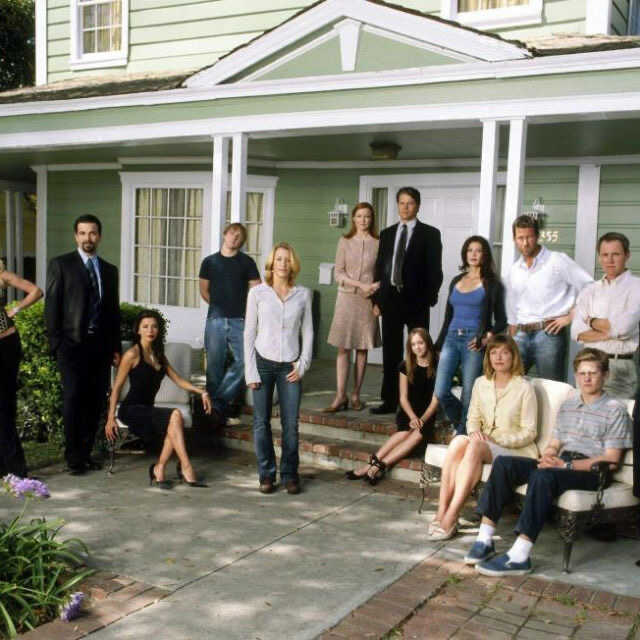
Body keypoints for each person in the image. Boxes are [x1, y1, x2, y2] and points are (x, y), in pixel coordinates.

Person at [466, 347, 632, 576]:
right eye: (582, 373)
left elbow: (611, 460)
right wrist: (549, 455)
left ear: (605, 375)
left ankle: (519, 556)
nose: (587, 378)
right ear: (576, 376)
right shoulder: (569, 405)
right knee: (504, 463)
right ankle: (485, 540)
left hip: (591, 472)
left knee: (543, 476)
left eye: (593, 373)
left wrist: (566, 466)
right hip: (561, 464)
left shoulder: (615, 410)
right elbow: (555, 442)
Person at [430, 334, 538, 541]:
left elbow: (530, 431)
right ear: (488, 358)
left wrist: (497, 441)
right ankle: (441, 512)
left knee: (476, 447)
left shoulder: (524, 387)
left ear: (513, 357)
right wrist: (473, 433)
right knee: (459, 441)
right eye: (493, 353)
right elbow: (472, 418)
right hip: (485, 444)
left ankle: (452, 516)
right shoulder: (481, 383)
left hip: (516, 450)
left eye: (504, 353)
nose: (498, 357)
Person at [45, 214, 121, 475]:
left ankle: (86, 454)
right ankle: (73, 458)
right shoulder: (61, 265)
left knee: (95, 401)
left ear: (99, 236)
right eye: (83, 233)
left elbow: (112, 312)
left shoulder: (110, 271)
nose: (88, 238)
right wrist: (57, 344)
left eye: (93, 233)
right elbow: (52, 307)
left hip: (99, 348)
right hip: (72, 345)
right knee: (74, 399)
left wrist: (115, 348)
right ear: (76, 236)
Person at [105, 310, 211, 488]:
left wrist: (201, 392)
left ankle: (159, 469)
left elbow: (178, 380)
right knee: (175, 416)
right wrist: (110, 418)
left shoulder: (159, 355)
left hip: (148, 408)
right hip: (131, 410)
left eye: (154, 326)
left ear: (159, 330)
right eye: (145, 326)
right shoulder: (132, 354)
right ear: (138, 330)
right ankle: (186, 467)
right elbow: (116, 388)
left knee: (174, 422)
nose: (150, 330)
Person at [244, 242, 313, 495]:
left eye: (287, 260)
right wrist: (250, 371)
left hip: (290, 367)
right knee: (261, 423)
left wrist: (303, 365)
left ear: (292, 264)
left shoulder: (303, 294)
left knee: (291, 425)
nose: (283, 264)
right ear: (271, 264)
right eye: (279, 259)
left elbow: (308, 332)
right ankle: (266, 474)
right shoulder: (257, 294)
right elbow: (249, 334)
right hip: (262, 363)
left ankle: (290, 474)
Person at [371, 187, 443, 414]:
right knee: (390, 352)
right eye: (401, 203)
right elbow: (380, 269)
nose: (405, 207)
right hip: (390, 299)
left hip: (416, 301)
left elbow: (435, 271)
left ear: (418, 206)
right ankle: (390, 400)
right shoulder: (387, 233)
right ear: (397, 205)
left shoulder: (430, 234)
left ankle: (419, 399)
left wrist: (429, 298)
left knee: (420, 351)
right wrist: (377, 299)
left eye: (410, 203)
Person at [345, 328, 438, 484]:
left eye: (420, 343)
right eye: (413, 344)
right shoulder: (405, 365)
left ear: (427, 342)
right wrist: (413, 417)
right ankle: (372, 462)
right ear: (410, 347)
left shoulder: (437, 365)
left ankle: (379, 466)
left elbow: (435, 400)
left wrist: (421, 419)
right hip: (409, 411)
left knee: (417, 435)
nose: (417, 347)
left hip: (427, 413)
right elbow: (403, 398)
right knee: (404, 433)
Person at [434, 235, 506, 435]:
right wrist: (439, 345)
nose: (474, 254)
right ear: (465, 254)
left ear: (485, 255)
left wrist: (486, 338)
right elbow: (448, 316)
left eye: (478, 250)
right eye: (470, 250)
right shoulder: (456, 281)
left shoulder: (492, 284)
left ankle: (463, 433)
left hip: (473, 341)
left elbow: (501, 320)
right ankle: (463, 424)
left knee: (469, 393)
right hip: (450, 338)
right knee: (440, 391)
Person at [506, 214, 592, 381]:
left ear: (537, 236)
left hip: (549, 335)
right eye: (520, 238)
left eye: (529, 237)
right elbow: (513, 303)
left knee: (552, 389)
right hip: (520, 335)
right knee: (511, 385)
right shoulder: (516, 269)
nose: (525, 243)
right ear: (514, 239)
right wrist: (512, 330)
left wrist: (571, 316)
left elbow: (590, 287)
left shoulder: (557, 261)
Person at [199, 222, 261, 424]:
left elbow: (256, 290)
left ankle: (217, 404)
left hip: (240, 320)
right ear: (225, 235)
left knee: (244, 362)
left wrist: (243, 311)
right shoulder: (209, 262)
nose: (235, 238)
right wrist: (221, 307)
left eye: (239, 237)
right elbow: (204, 291)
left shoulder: (247, 263)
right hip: (215, 319)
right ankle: (214, 415)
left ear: (242, 241)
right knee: (214, 367)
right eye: (232, 234)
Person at [324, 202, 381, 412]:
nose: (363, 220)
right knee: (343, 347)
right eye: (359, 216)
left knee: (362, 348)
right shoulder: (345, 241)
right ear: (354, 219)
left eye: (367, 216)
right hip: (346, 299)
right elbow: (338, 273)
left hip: (368, 301)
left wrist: (376, 292)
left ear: (371, 219)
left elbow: (383, 274)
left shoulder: (378, 243)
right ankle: (340, 395)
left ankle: (356, 394)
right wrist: (359, 285)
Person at [572, 232, 640, 399]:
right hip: (588, 366)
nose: (609, 260)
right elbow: (576, 332)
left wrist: (591, 321)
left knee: (618, 420)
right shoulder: (590, 290)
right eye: (604, 255)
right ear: (599, 257)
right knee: (587, 419)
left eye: (615, 254)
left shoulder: (637, 288)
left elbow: (624, 329)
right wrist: (611, 332)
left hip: (620, 368)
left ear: (627, 255)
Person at [0, 260, 43, 478]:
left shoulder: (1, 274)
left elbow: (36, 291)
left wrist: (16, 308)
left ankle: (16, 470)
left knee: (4, 407)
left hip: (5, 345)